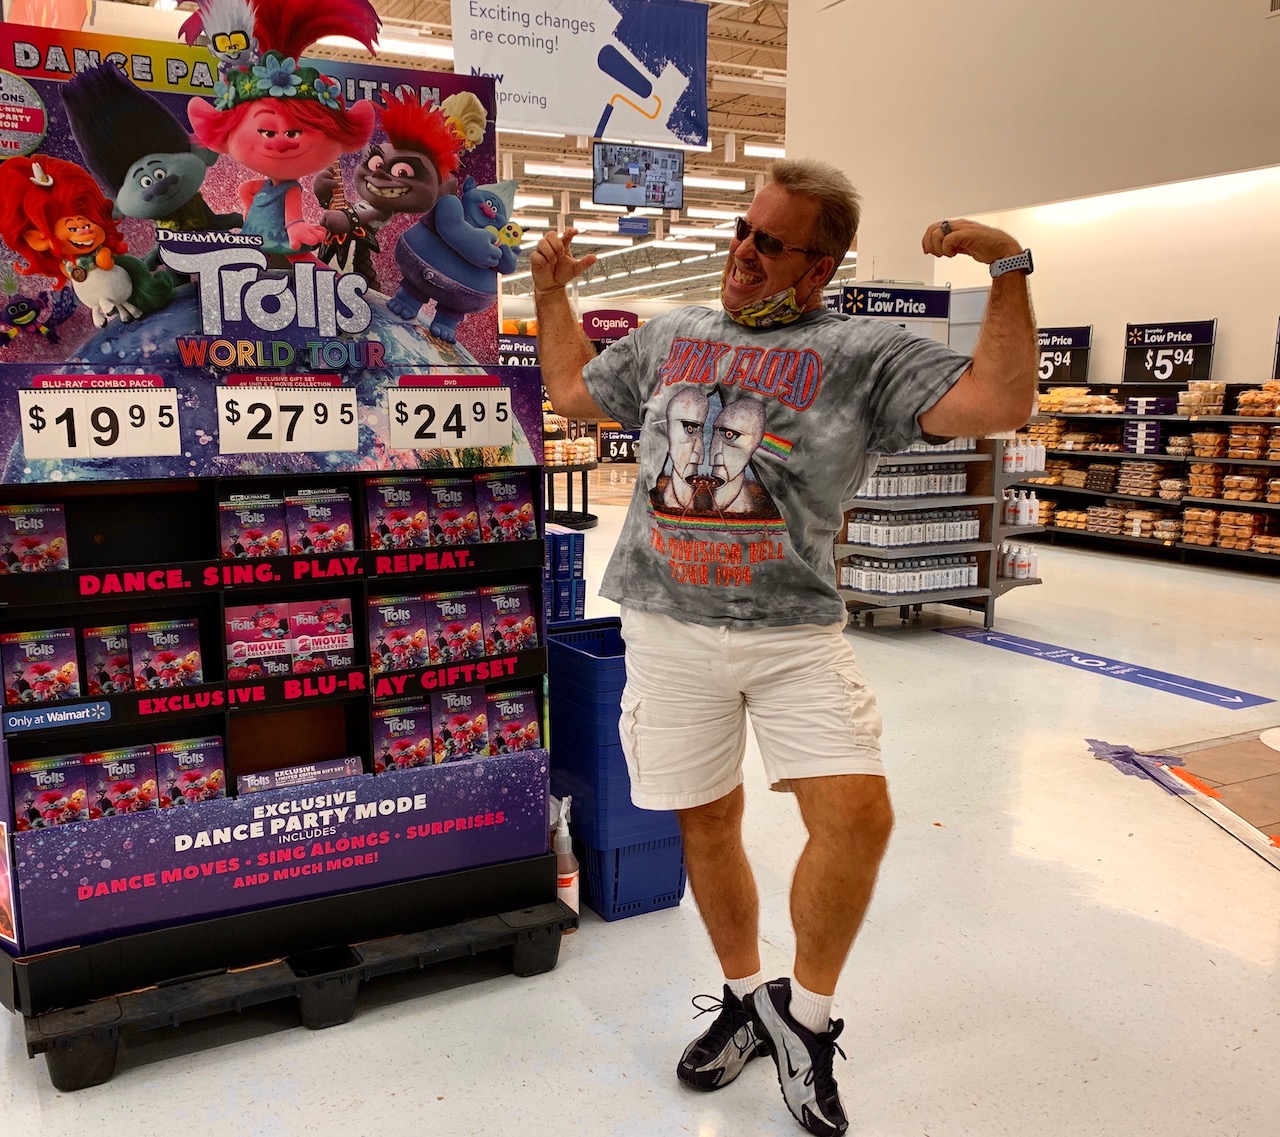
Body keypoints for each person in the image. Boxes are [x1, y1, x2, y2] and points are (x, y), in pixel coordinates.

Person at [531, 158, 1036, 1137]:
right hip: (666, 627)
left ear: (819, 267)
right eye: (741, 230)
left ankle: (804, 1020)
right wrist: (553, 293)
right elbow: (570, 391)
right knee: (706, 820)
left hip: (792, 632)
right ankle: (742, 1000)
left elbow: (999, 402)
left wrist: (1008, 266)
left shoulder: (860, 351)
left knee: (857, 817)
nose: (743, 253)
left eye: (770, 243)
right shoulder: (673, 334)